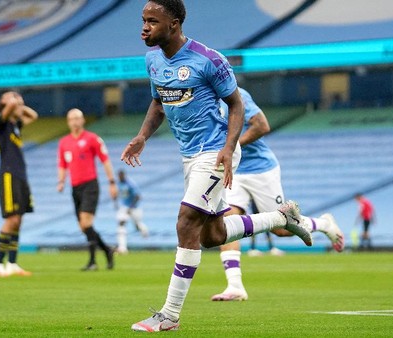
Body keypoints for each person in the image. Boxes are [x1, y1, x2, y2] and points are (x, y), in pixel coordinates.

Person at [121, 0, 313, 331]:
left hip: (214, 151)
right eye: (143, 20)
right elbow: (158, 101)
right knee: (213, 234)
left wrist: (229, 148)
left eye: (152, 21)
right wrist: (142, 136)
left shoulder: (208, 60)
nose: (144, 27)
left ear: (175, 24)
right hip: (189, 156)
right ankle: (282, 218)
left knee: (186, 222)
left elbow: (236, 104)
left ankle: (169, 315)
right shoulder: (153, 60)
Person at [211, 87, 345, 301]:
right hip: (234, 170)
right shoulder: (202, 98)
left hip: (261, 169)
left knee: (282, 230)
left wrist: (231, 146)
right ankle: (235, 286)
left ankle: (324, 224)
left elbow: (262, 126)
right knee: (226, 223)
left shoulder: (237, 94)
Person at [57, 108, 118, 271]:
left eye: (77, 118)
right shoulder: (64, 143)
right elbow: (62, 164)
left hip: (90, 185)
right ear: (68, 122)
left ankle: (92, 262)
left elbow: (105, 160)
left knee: (86, 222)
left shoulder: (92, 139)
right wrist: (61, 181)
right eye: (71, 119)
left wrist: (112, 182)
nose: (75, 121)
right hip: (74, 187)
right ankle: (107, 250)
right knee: (83, 227)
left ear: (83, 120)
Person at [0, 91, 38, 277]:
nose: (18, 106)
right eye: (14, 102)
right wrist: (13, 101)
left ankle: (12, 263)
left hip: (21, 175)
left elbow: (33, 116)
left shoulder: (15, 125)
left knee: (19, 220)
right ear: (3, 102)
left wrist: (20, 104)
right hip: (8, 174)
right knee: (11, 219)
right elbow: (9, 107)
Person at [115, 169, 149, 254]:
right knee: (121, 223)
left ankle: (144, 231)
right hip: (124, 207)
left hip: (134, 208)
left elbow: (138, 196)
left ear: (124, 175)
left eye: (121, 176)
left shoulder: (130, 184)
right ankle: (122, 248)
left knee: (137, 225)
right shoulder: (119, 183)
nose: (120, 178)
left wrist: (131, 207)